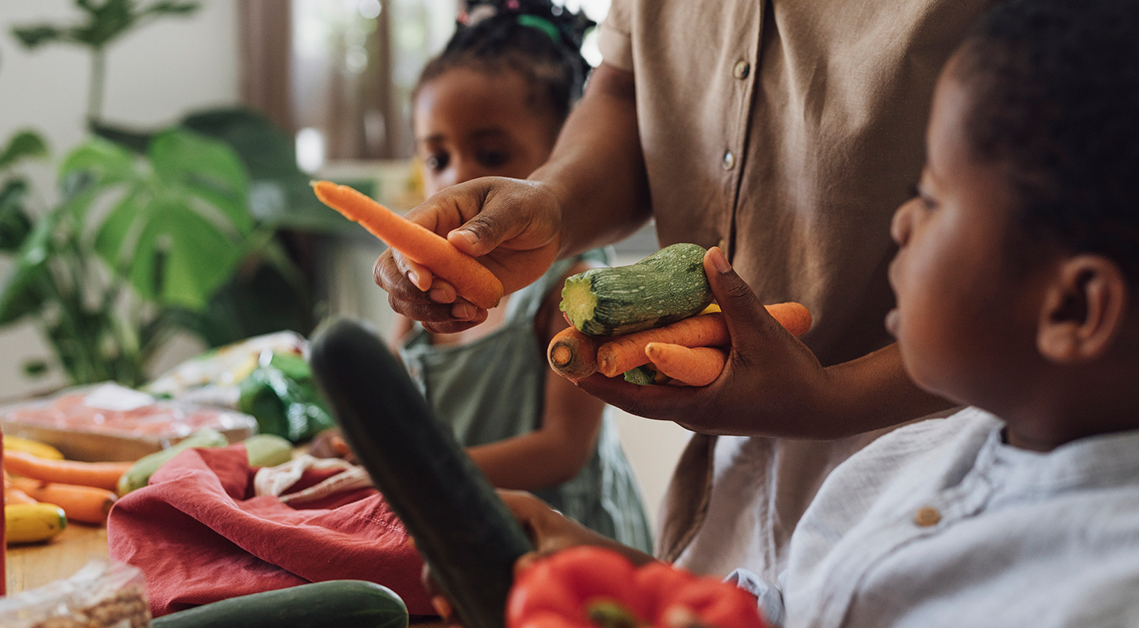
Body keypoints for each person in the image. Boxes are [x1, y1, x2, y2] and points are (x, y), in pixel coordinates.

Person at [431, 0, 1139, 623]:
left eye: (932, 198)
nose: (901, 222)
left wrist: (833, 399)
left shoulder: (1132, 593)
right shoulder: (903, 468)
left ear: (1077, 305)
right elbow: (778, 612)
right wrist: (604, 574)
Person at [374, 0, 995, 581]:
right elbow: (624, 89)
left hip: (944, 461)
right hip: (725, 480)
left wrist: (833, 401)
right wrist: (551, 201)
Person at [385, 0, 652, 552]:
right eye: (437, 159)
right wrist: (351, 441)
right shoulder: (424, 292)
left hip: (568, 549)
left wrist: (413, 473)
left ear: (561, 156)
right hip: (471, 537)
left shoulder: (571, 288)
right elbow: (389, 401)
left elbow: (562, 448)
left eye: (490, 152)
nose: (458, 176)